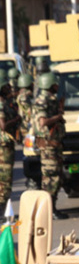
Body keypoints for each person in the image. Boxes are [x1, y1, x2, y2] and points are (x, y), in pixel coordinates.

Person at [32, 72, 68, 219]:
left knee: (56, 177)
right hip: (48, 146)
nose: (57, 86)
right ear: (49, 84)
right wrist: (58, 117)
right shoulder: (42, 101)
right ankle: (47, 210)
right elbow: (43, 122)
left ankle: (52, 207)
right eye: (55, 84)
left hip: (54, 145)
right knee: (50, 178)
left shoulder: (51, 100)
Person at [0, 77, 20, 222]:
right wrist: (16, 119)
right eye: (6, 86)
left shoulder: (6, 103)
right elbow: (3, 126)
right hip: (3, 147)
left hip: (5, 146)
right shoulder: (1, 104)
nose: (9, 88)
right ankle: (1, 212)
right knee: (5, 181)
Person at [16, 74, 34, 142]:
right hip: (27, 125)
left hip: (26, 125)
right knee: (30, 149)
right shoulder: (24, 96)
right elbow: (29, 112)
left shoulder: (22, 95)